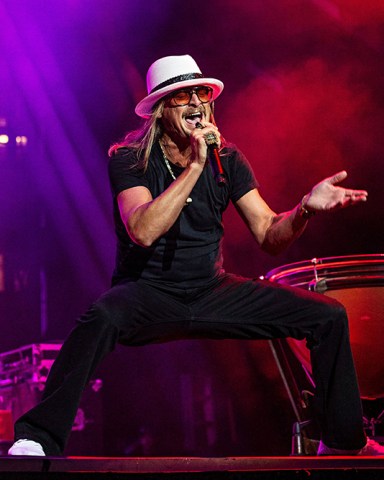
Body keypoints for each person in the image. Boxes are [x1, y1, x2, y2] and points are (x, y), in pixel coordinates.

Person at [8, 54, 384, 457]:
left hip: (211, 289)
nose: (195, 103)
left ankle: (344, 441)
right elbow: (143, 230)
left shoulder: (230, 160)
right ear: (158, 109)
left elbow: (268, 235)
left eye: (200, 92)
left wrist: (305, 208)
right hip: (147, 292)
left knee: (326, 315)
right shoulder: (129, 158)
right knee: (100, 318)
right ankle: (38, 437)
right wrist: (194, 165)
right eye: (181, 95)